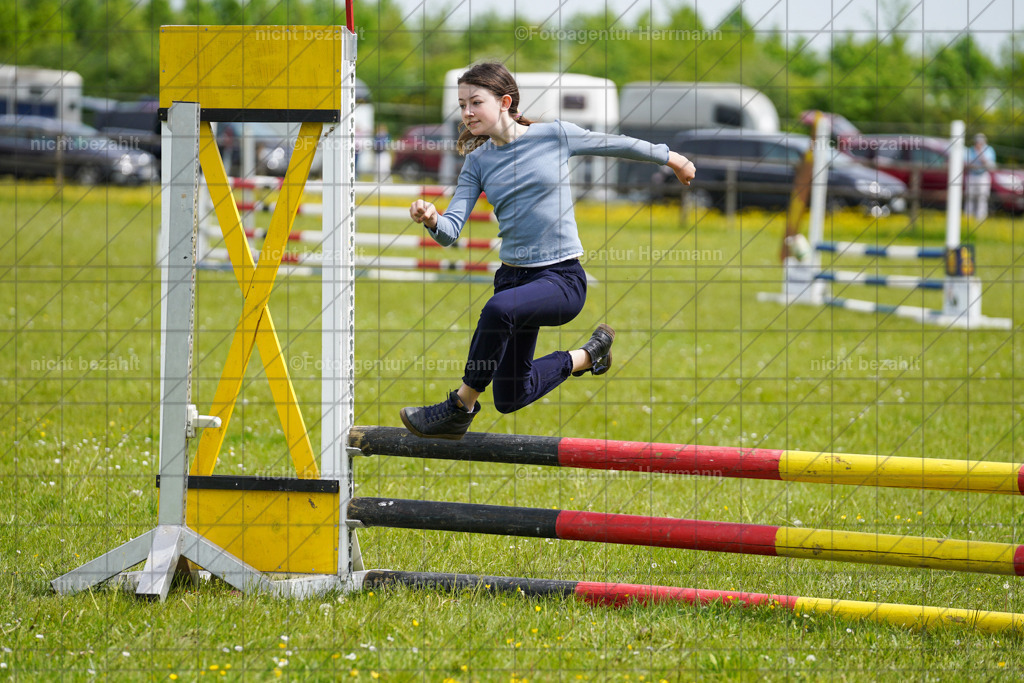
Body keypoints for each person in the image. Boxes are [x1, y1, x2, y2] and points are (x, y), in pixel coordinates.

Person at [402, 62, 696, 440]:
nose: (467, 113)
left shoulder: (554, 135)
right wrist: (430, 217)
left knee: (497, 309)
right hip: (512, 280)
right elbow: (449, 233)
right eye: (462, 105)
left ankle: (460, 407)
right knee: (511, 395)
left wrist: (673, 157)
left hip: (560, 279)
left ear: (505, 102)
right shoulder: (477, 161)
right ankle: (590, 356)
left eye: (475, 102)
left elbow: (616, 143)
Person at [965, 132, 996, 222]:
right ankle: (968, 217)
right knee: (970, 197)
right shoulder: (970, 150)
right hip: (972, 175)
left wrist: (979, 152)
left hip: (983, 176)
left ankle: (981, 218)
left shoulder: (989, 150)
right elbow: (967, 163)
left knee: (982, 197)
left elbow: (989, 164)